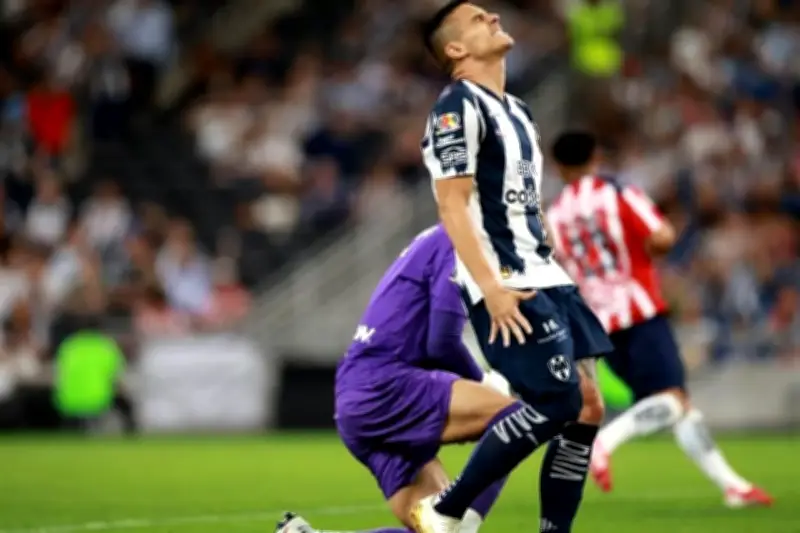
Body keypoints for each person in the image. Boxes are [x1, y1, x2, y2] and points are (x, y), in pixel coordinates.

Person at [417, 2, 611, 532]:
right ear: (455, 49)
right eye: (479, 18)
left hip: (546, 274)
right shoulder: (457, 108)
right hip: (508, 281)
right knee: (556, 403)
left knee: (588, 407)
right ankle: (447, 506)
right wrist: (492, 287)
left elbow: (522, 199)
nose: (494, 16)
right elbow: (452, 204)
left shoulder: (520, 111)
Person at [546, 130, 773, 508]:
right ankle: (604, 442)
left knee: (676, 404)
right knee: (671, 399)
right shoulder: (617, 192)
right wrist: (650, 250)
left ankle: (733, 486)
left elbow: (558, 267)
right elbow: (662, 236)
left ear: (559, 166)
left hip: (599, 324)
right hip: (639, 310)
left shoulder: (555, 214)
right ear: (596, 156)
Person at [277, 224, 519, 533]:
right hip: (386, 385)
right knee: (514, 417)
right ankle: (466, 524)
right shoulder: (462, 237)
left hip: (358, 396)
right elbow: (442, 341)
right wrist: (482, 382)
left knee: (432, 531)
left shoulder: (438, 238)